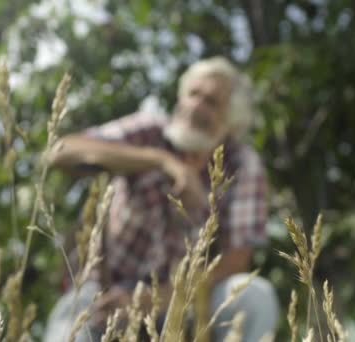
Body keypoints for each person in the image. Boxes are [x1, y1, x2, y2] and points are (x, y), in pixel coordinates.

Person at [44, 56, 279, 341]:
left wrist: (157, 299)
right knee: (77, 315)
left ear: (231, 123)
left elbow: (236, 260)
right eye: (193, 94)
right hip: (110, 290)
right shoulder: (149, 132)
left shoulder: (242, 164)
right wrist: (160, 161)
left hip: (187, 299)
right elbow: (61, 152)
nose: (196, 106)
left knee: (254, 296)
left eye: (212, 102)